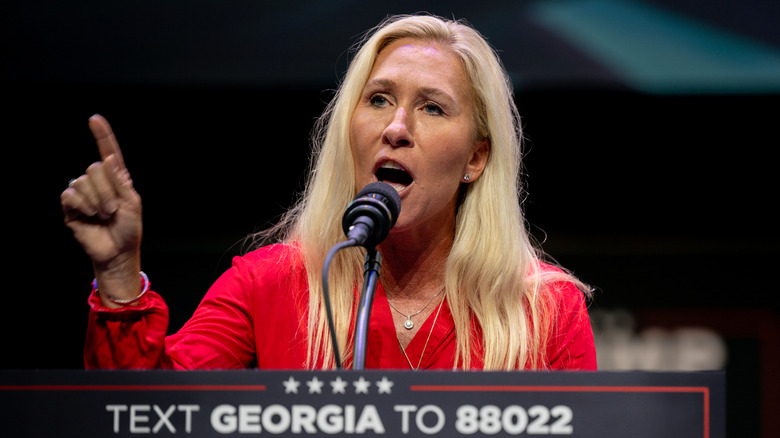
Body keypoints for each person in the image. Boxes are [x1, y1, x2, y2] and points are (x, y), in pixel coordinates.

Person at [61, 13, 597, 370]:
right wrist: (117, 275)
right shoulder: (268, 285)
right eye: (379, 99)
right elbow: (149, 416)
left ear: (476, 158)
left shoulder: (544, 309)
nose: (396, 127)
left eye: (432, 107)